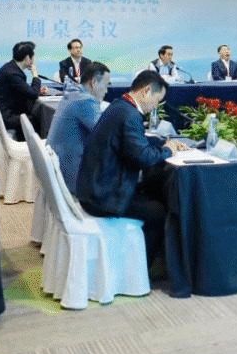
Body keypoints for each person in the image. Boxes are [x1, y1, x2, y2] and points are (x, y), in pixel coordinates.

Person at [76, 70, 187, 268]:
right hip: (103, 196)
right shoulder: (130, 115)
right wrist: (168, 150)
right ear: (146, 92)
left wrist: (160, 147)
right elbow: (143, 157)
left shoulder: (120, 106)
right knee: (159, 212)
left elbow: (134, 146)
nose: (155, 106)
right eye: (157, 100)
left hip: (94, 187)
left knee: (152, 194)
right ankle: (139, 271)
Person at [47, 61, 111, 195]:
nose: (106, 91)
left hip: (61, 170)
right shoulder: (86, 101)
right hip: (74, 177)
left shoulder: (73, 94)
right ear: (94, 82)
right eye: (106, 85)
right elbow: (106, 136)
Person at [0, 40, 45, 133]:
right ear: (28, 58)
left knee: (31, 116)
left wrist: (36, 89)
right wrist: (35, 75)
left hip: (0, 115)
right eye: (33, 57)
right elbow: (33, 94)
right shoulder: (13, 74)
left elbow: (24, 90)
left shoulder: (11, 68)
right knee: (38, 121)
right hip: (1, 119)